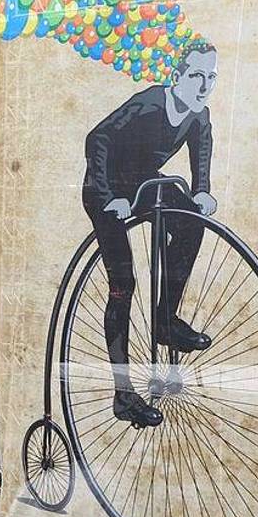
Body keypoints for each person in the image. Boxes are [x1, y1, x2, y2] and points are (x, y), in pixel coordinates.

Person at [81, 38, 219, 427]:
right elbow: (98, 138)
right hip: (106, 189)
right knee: (123, 282)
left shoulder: (198, 115)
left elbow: (201, 153)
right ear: (177, 77)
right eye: (196, 76)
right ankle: (124, 395)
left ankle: (164, 320)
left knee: (192, 221)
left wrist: (202, 190)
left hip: (143, 185)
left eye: (211, 77)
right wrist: (109, 197)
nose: (204, 85)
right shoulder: (149, 104)